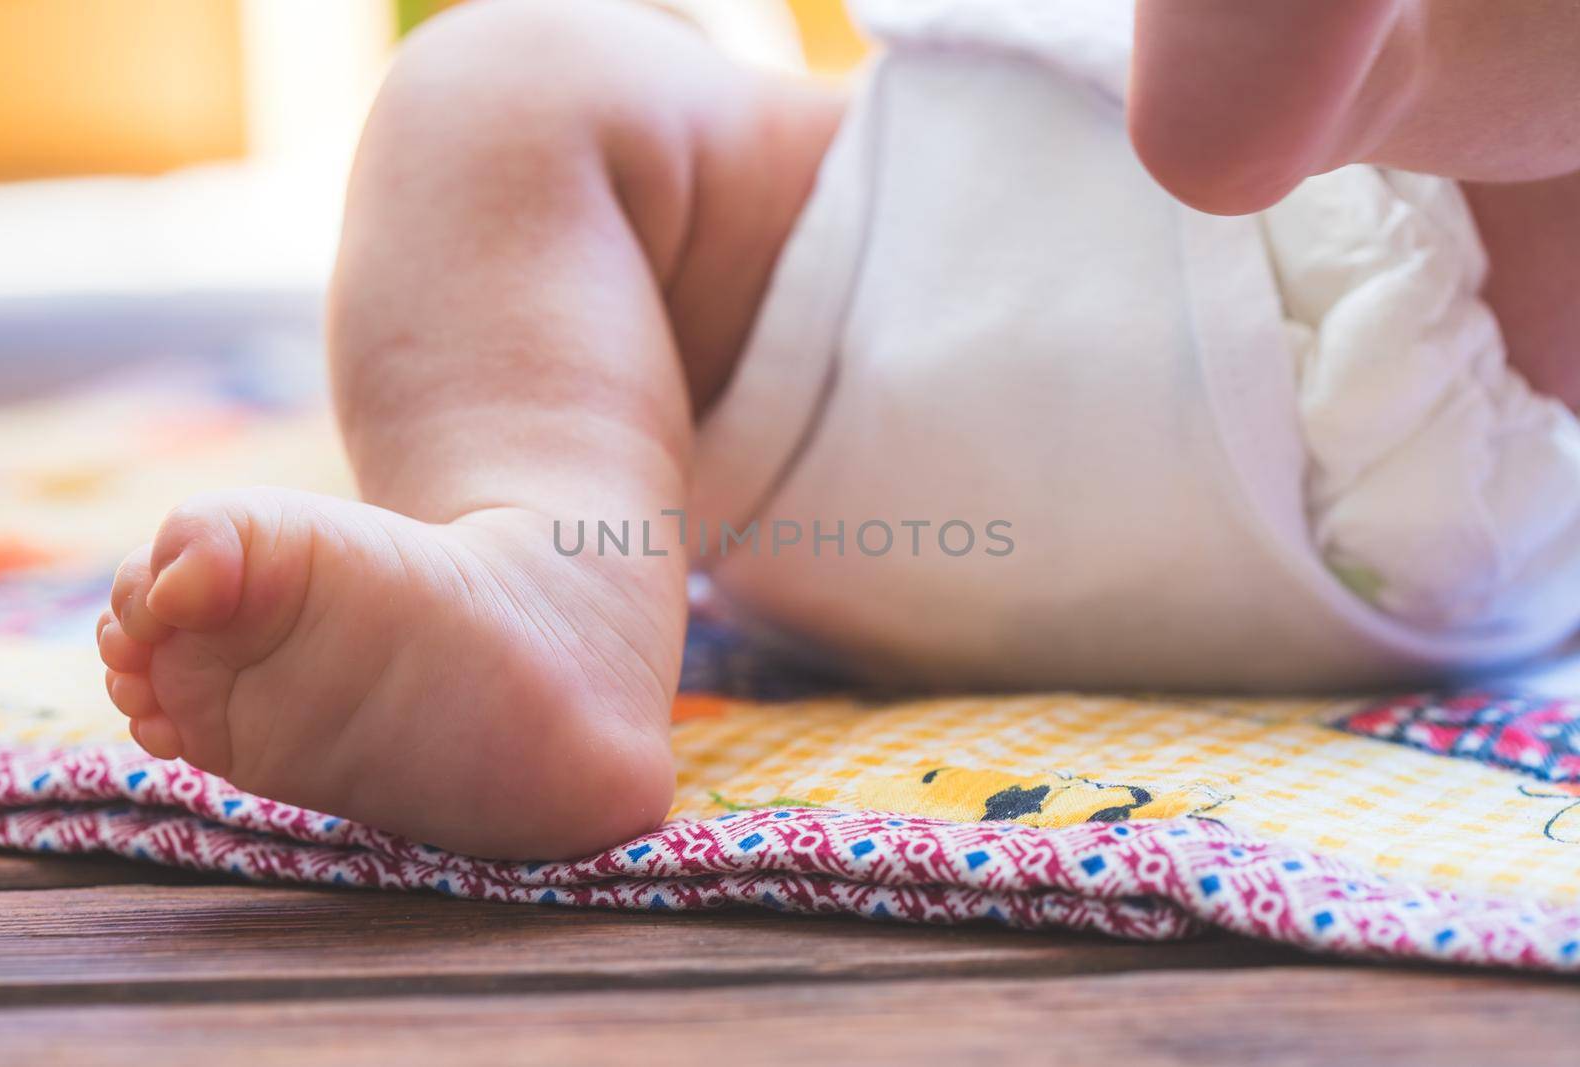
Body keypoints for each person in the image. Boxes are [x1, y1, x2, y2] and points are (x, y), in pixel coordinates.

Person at [95, 0, 1580, 859]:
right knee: (509, 77)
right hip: (1436, 400)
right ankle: (552, 576)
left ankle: (556, 553)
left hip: (875, 331)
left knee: (503, 79)